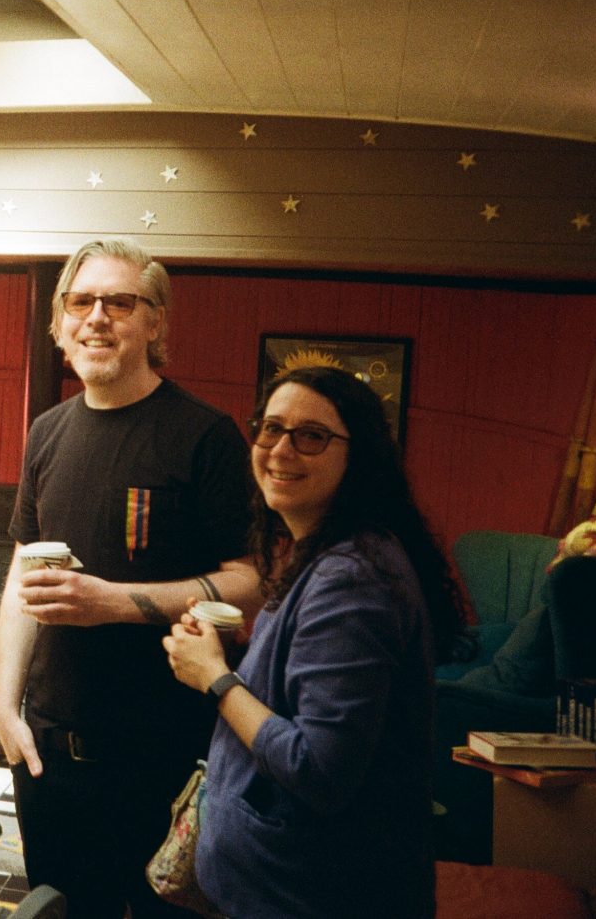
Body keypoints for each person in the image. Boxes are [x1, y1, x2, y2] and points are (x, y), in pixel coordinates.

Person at [0, 238, 261, 918]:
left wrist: (115, 603)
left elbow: (247, 582)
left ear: (156, 321)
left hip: (163, 756)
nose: (98, 317)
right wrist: (5, 705)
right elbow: (20, 577)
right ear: (59, 323)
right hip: (50, 752)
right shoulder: (45, 433)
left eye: (120, 301)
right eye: (81, 301)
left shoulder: (204, 435)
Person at [163, 366, 469, 918]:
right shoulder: (335, 553)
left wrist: (213, 676)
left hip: (314, 896)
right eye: (270, 429)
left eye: (312, 436)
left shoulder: (353, 577)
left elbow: (318, 767)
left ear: (359, 457)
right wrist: (235, 652)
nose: (281, 450)